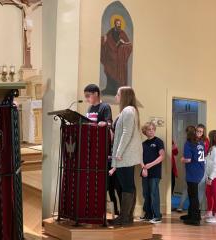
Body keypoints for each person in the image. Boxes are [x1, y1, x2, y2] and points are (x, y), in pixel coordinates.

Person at [83, 84, 122, 215]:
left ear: (96, 94)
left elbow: (109, 123)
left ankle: (115, 210)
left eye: (88, 96)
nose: (87, 98)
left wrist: (105, 124)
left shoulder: (105, 107)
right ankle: (94, 209)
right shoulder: (89, 108)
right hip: (91, 148)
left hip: (103, 149)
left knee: (110, 186)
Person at [109, 86, 143, 225]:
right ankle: (127, 217)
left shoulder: (128, 110)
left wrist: (118, 152)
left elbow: (126, 133)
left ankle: (124, 218)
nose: (116, 97)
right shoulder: (128, 111)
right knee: (129, 186)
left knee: (127, 186)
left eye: (118, 94)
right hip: (126, 155)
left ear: (124, 96)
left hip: (125, 156)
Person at [140, 122, 165, 224]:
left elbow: (162, 156)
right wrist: (144, 168)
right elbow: (140, 158)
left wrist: (150, 165)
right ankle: (148, 214)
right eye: (149, 129)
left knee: (154, 193)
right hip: (145, 172)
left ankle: (157, 216)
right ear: (145, 131)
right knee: (146, 194)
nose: (151, 131)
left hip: (155, 172)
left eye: (153, 129)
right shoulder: (143, 144)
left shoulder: (158, 141)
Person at [180, 126, 205, 226]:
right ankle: (191, 214)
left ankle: (195, 219)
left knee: (193, 195)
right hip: (200, 170)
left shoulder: (189, 143)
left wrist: (182, 160)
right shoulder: (200, 142)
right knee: (192, 194)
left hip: (193, 172)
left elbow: (188, 159)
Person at [101, 19, 132, 96]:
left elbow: (128, 45)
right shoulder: (110, 32)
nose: (119, 25)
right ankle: (109, 89)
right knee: (109, 72)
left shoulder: (122, 33)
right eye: (117, 23)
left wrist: (123, 45)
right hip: (110, 57)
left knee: (118, 74)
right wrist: (103, 39)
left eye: (119, 23)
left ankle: (117, 90)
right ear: (114, 24)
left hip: (118, 58)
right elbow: (105, 40)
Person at [205, 130, 216, 223]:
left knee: (215, 196)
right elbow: (208, 162)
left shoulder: (215, 150)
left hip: (214, 177)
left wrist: (211, 177)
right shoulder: (211, 148)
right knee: (208, 194)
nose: (208, 138)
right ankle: (210, 212)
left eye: (209, 136)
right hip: (209, 176)